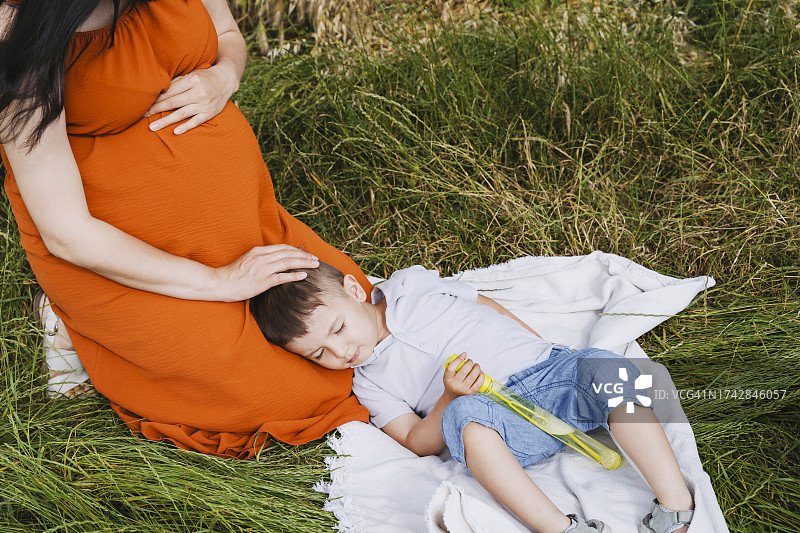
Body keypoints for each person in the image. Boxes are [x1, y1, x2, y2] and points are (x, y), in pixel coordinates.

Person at [0, 0, 371, 456]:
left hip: (244, 223)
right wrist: (218, 281)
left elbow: (228, 36)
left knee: (360, 316)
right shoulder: (14, 29)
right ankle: (69, 320)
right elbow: (66, 231)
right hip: (115, 255)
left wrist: (222, 77)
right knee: (290, 394)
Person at [250, 263, 696, 533]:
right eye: (319, 354)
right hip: (504, 422)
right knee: (466, 417)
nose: (341, 351)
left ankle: (674, 504)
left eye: (338, 329)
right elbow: (416, 441)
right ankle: (560, 526)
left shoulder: (411, 287)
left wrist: (534, 345)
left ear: (354, 289)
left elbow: (484, 304)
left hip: (552, 372)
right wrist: (447, 397)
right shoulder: (367, 380)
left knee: (606, 367)